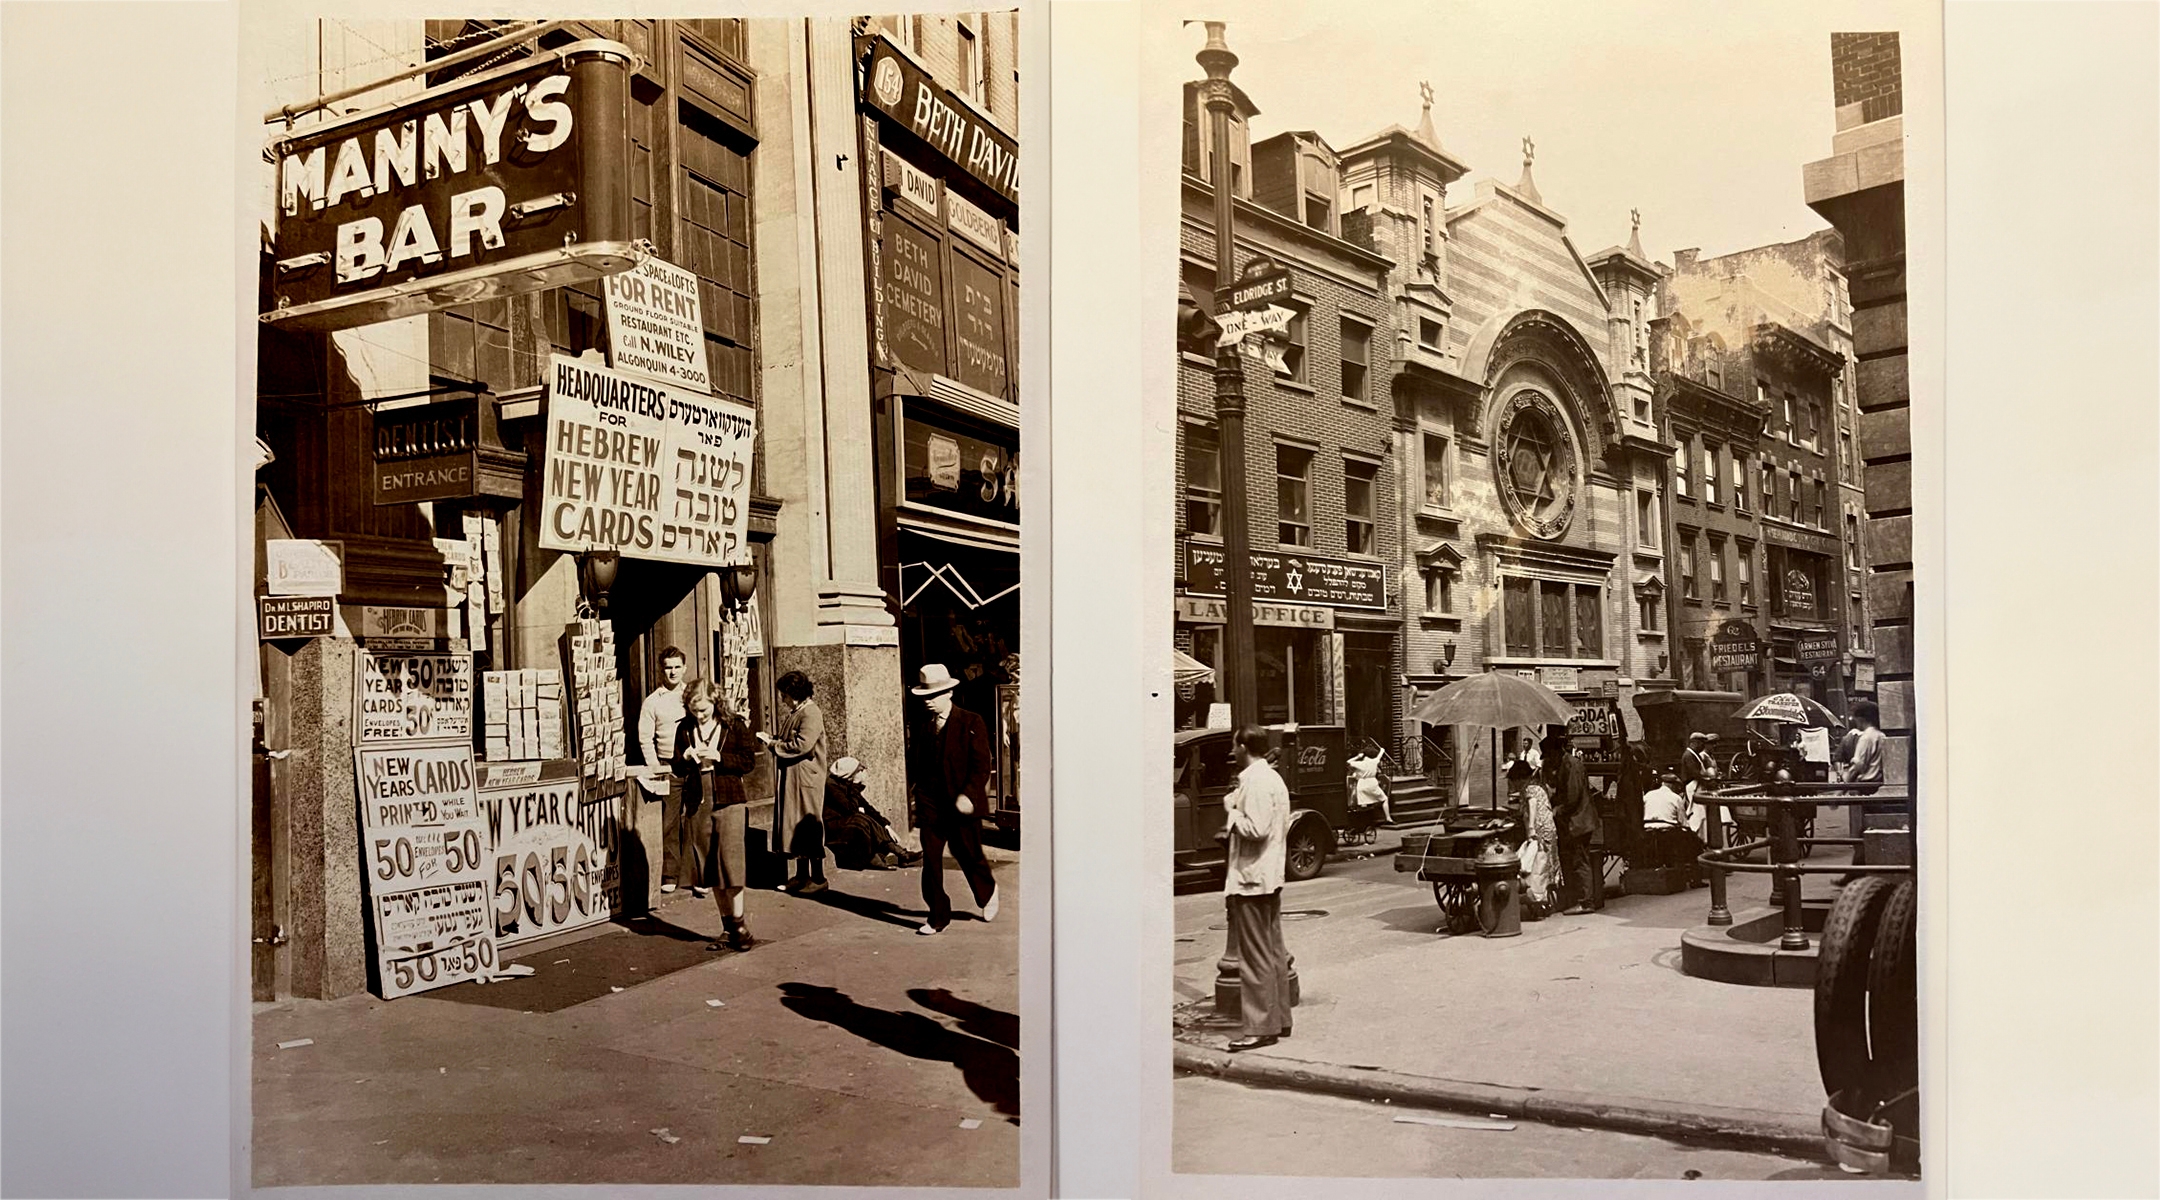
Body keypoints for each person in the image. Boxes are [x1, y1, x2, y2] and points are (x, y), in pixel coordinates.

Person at [909, 664, 1001, 934]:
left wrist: (968, 794)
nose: (928, 702)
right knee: (932, 858)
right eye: (924, 696)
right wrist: (916, 800)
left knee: (968, 853)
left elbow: (982, 765)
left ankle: (987, 892)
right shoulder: (922, 724)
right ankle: (937, 917)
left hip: (961, 802)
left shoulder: (971, 722)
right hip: (931, 803)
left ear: (949, 693)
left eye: (933, 696)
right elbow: (918, 764)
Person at [1221, 724, 1293, 1052]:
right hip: (1269, 875)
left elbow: (1257, 828)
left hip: (1252, 879)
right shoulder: (1270, 779)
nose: (1231, 752)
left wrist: (1232, 814)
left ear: (1244, 747)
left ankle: (1261, 1027)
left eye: (1234, 746)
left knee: (1254, 957)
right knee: (1273, 951)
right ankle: (1279, 1018)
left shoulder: (1257, 781)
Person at [675, 679, 759, 950]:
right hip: (699, 800)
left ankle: (740, 926)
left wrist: (720, 758)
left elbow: (748, 762)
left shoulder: (734, 725)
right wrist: (686, 757)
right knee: (709, 866)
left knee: (731, 864)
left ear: (715, 703)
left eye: (703, 710)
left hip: (728, 797)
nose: (698, 715)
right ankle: (728, 928)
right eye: (693, 710)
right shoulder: (684, 728)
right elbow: (676, 765)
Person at [758, 671, 828, 894]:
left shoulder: (811, 713)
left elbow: (802, 745)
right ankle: (801, 876)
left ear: (794, 693)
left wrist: (773, 745)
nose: (782, 699)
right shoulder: (798, 712)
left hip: (805, 780)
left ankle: (818, 878)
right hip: (794, 778)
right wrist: (774, 739)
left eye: (784, 694)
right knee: (796, 828)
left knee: (807, 827)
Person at [637, 647, 693, 895]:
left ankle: (695, 875)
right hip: (668, 767)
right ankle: (670, 873)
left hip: (695, 766)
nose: (672, 671)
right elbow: (645, 738)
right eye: (668, 667)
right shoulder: (653, 701)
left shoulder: (693, 695)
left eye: (676, 667)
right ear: (662, 670)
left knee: (695, 821)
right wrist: (656, 768)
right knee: (669, 822)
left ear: (684, 668)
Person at [824, 757, 920, 872]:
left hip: (847, 822)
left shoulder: (846, 783)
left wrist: (886, 826)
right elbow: (851, 809)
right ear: (849, 773)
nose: (862, 773)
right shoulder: (832, 785)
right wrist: (856, 785)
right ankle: (900, 854)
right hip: (834, 826)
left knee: (865, 816)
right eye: (859, 771)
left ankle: (902, 854)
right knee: (861, 818)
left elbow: (868, 807)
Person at [1545, 733, 1603, 915]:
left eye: (1549, 755)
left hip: (1579, 821)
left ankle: (1586, 902)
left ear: (1556, 752)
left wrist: (1557, 810)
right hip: (1574, 822)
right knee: (1572, 861)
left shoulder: (1572, 765)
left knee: (1580, 860)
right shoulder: (1563, 764)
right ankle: (1574, 898)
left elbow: (1573, 797)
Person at [1506, 759, 1561, 915]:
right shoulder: (1536, 785)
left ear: (1519, 778)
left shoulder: (1530, 789)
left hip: (1540, 830)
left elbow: (1533, 805)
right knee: (1543, 864)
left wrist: (1531, 828)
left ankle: (1538, 896)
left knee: (1538, 864)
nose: (1513, 784)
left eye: (1513, 780)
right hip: (1546, 829)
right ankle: (1540, 895)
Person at [1840, 700, 1885, 786]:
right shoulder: (1881, 735)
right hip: (1878, 783)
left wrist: (1845, 782)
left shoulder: (1866, 737)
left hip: (1865, 784)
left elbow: (1858, 765)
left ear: (1860, 719)